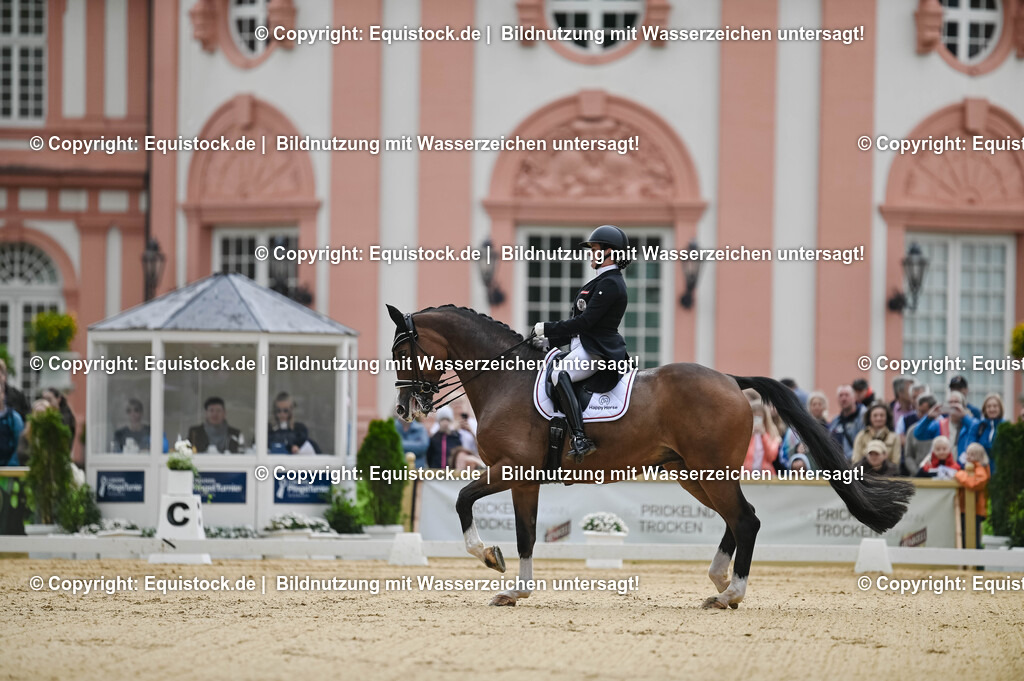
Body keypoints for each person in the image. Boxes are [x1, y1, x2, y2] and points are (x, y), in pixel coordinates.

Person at [531, 225, 630, 461]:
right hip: (585, 346)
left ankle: (580, 437)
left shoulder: (611, 283)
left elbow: (585, 323)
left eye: (595, 249)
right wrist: (547, 340)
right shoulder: (599, 282)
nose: (590, 254)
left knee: (558, 373)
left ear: (611, 253)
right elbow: (580, 329)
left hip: (598, 352)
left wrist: (547, 327)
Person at [912, 390, 975, 459]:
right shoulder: (940, 424)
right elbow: (918, 434)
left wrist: (964, 417)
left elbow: (977, 430)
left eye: (956, 402)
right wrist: (928, 417)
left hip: (964, 466)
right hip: (944, 466)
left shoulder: (969, 424)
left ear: (963, 406)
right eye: (950, 402)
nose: (953, 405)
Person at [955, 443, 990, 549]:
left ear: (980, 457)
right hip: (964, 508)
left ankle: (977, 565)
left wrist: (959, 474)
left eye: (973, 455)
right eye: (968, 454)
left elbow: (974, 484)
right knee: (964, 537)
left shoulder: (980, 469)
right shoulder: (968, 467)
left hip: (974, 510)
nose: (969, 457)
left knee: (972, 538)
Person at [963, 393, 1005, 474]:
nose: (992, 409)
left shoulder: (1005, 426)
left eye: (995, 406)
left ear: (1000, 408)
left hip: (1000, 473)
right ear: (984, 409)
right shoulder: (978, 426)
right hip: (980, 473)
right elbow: (970, 448)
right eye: (988, 406)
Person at [828, 385, 865, 460]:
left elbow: (864, 443)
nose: (843, 398)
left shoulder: (863, 417)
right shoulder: (836, 421)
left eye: (847, 395)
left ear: (854, 398)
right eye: (841, 396)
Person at [743, 402, 779, 475]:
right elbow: (740, 454)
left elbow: (772, 456)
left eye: (759, 417)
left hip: (765, 474)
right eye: (754, 417)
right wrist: (749, 435)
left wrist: (764, 436)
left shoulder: (771, 433)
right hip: (746, 473)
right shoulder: (743, 433)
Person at [0, 386, 25, 466]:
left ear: (3, 394)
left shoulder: (14, 418)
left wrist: (11, 467)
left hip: (9, 469)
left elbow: (19, 445)